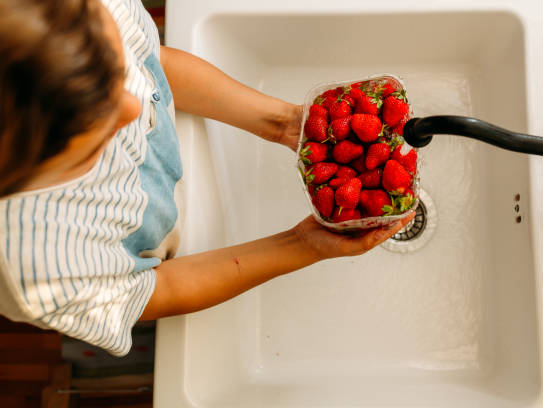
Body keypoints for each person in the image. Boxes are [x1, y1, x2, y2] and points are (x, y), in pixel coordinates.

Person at [0, 0, 413, 356]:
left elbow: (154, 65)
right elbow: (154, 291)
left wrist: (285, 123)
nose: (132, 108)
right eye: (97, 128)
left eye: (116, 69)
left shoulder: (52, 15)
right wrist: (301, 244)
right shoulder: (37, 268)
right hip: (159, 245)